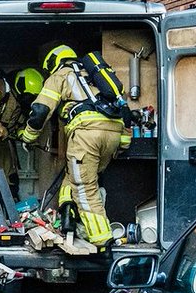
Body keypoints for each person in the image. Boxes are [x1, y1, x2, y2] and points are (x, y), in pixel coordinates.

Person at [18, 45, 127, 247]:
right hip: (113, 134)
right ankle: (68, 219)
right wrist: (123, 143)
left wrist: (28, 136)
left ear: (53, 62)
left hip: (87, 135)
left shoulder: (61, 75)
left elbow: (40, 110)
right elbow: (124, 109)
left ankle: (102, 240)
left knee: (85, 188)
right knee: (73, 176)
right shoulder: (97, 77)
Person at [0, 68, 43, 189]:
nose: (29, 101)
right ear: (20, 86)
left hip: (2, 139)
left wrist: (25, 137)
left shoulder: (22, 103)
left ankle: (9, 194)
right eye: (28, 97)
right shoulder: (0, 87)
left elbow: (19, 125)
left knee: (7, 174)